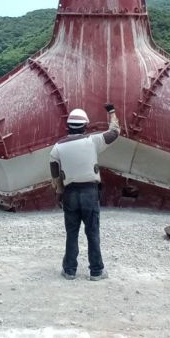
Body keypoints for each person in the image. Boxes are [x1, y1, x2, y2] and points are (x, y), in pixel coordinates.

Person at [49, 103, 120, 281]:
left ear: (68, 126)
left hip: (70, 194)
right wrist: (112, 113)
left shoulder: (57, 148)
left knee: (72, 233)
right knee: (93, 233)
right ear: (85, 125)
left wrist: (60, 193)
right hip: (90, 192)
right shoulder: (93, 141)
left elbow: (55, 176)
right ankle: (96, 271)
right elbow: (115, 132)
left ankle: (69, 270)